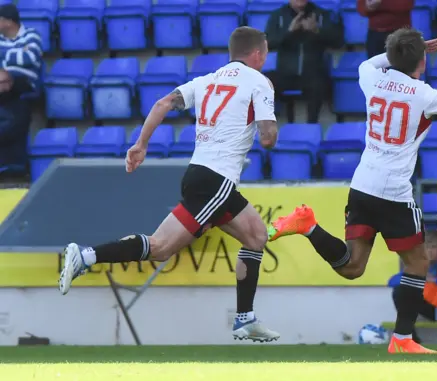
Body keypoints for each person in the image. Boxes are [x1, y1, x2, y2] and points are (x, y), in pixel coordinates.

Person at [267, 28, 437, 354]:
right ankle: (402, 340)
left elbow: (368, 63)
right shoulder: (424, 94)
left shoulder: (374, 79)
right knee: (417, 263)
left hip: (363, 186)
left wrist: (402, 52)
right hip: (395, 192)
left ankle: (308, 226)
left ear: (394, 57)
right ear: (422, 60)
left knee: (352, 267)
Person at [59, 26, 281, 343]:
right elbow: (268, 138)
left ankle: (245, 318)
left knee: (256, 235)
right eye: (266, 53)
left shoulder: (207, 81)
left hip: (202, 176)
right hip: (216, 180)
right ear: (258, 54)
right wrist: (270, 120)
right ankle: (86, 256)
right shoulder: (259, 83)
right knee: (161, 247)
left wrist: (140, 145)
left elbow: (163, 103)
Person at [265, 0, 344, 123]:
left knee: (320, 83)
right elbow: (268, 43)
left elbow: (338, 41)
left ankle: (311, 125)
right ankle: (267, 126)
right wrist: (289, 32)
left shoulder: (323, 14)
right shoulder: (278, 15)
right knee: (263, 83)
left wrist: (316, 30)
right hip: (285, 73)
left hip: (313, 74)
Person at [0, 4, 42, 175]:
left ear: (8, 22)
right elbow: (22, 56)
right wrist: (16, 54)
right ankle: (11, 167)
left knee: (15, 113)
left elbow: (30, 56)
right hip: (4, 86)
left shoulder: (32, 35)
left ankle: (14, 167)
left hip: (24, 84)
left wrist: (4, 58)